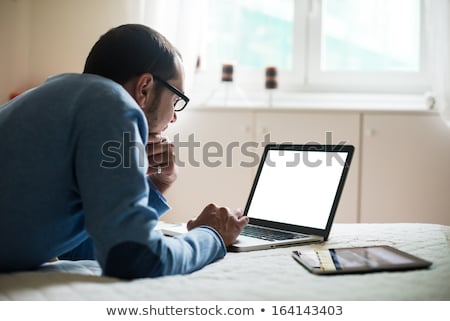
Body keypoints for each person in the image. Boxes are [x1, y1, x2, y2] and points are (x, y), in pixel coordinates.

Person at [0, 24, 248, 279]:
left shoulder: (58, 98)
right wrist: (212, 234)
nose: (174, 117)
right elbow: (136, 258)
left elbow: (79, 248)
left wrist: (157, 186)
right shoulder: (112, 103)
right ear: (144, 88)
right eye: (176, 100)